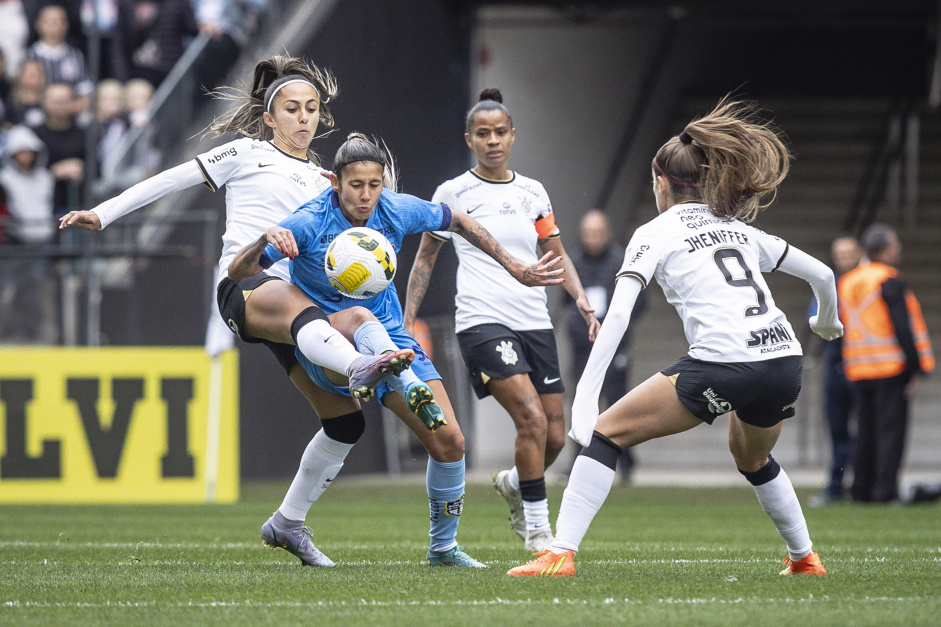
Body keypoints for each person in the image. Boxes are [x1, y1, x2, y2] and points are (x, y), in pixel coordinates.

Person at [59, 55, 420, 563]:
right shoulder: (247, 152)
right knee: (309, 316)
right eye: (292, 109)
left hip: (300, 316)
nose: (303, 118)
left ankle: (288, 522)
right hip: (247, 286)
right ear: (270, 117)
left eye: (311, 109)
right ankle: (362, 364)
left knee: (345, 423)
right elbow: (170, 179)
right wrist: (103, 213)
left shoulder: (325, 182)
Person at [508, 97, 844, 578]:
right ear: (706, 181)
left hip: (726, 362)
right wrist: (827, 323)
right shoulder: (737, 228)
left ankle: (559, 553)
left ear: (660, 182)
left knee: (606, 433)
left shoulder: (655, 232)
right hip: (782, 359)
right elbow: (824, 275)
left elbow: (618, 313)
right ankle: (805, 558)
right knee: (753, 456)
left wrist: (585, 393)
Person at [228, 132, 564, 568]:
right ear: (335, 183)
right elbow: (240, 271)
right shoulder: (309, 221)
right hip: (331, 343)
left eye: (374, 184)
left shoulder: (397, 208)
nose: (366, 195)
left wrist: (515, 264)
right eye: (356, 186)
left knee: (451, 442)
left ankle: (442, 548)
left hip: (394, 340)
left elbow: (460, 221)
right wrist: (261, 241)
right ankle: (391, 372)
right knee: (360, 319)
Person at [403, 88, 599, 553]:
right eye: (483, 133)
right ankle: (538, 531)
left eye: (500, 132)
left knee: (555, 434)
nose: (492, 140)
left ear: (513, 136)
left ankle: (514, 481)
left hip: (535, 320)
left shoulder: (533, 191)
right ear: (469, 139)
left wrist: (581, 300)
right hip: (482, 320)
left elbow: (555, 252)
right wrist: (406, 319)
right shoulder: (453, 192)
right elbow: (426, 257)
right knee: (529, 417)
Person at [840, 223, 934, 503]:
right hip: (889, 367)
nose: (899, 250)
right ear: (883, 249)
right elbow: (902, 326)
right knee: (890, 433)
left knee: (865, 431)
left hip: (858, 367)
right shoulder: (887, 278)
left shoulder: (848, 280)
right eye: (895, 245)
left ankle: (861, 489)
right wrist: (916, 367)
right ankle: (884, 490)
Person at [565, 209, 646, 481]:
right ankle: (578, 462)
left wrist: (618, 332)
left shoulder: (621, 261)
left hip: (614, 347)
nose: (593, 239)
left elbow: (639, 303)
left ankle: (625, 464)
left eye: (598, 233)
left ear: (607, 233)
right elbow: (565, 304)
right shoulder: (574, 263)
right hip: (583, 347)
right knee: (582, 401)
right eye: (588, 233)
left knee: (617, 404)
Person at [808, 234, 862, 506]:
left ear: (859, 253)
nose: (843, 259)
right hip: (836, 362)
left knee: (866, 429)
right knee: (838, 429)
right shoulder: (830, 283)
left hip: (864, 364)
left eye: (848, 253)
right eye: (838, 254)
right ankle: (836, 485)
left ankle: (867, 485)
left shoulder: (868, 282)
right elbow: (815, 319)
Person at [0, 124, 56, 343]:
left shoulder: (45, 178)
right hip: (15, 245)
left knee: (39, 294)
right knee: (9, 292)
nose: (24, 157)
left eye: (28, 152)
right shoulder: (4, 180)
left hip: (42, 245)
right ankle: (6, 337)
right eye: (19, 152)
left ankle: (41, 340)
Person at [23, 4, 93, 114]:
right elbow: (22, 94)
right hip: (38, 112)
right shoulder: (29, 56)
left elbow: (85, 93)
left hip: (71, 114)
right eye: (50, 21)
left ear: (66, 25)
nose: (55, 26)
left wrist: (65, 108)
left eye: (59, 21)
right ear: (38, 24)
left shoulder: (75, 55)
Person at [33, 83, 86, 214]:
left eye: (64, 101)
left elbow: (97, 167)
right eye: (55, 101)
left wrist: (81, 167)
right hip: (42, 203)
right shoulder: (34, 134)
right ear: (44, 102)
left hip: (79, 203)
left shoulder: (85, 134)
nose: (60, 105)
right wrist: (52, 171)